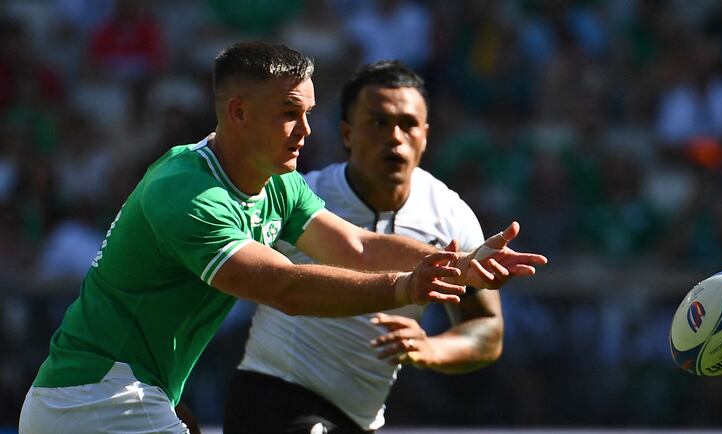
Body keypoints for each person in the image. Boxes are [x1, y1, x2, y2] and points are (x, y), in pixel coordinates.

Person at [18, 42, 546, 434]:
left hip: (120, 397)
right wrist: (406, 287)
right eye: (289, 114)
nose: (306, 130)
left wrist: (457, 263)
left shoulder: (277, 182)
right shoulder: (189, 194)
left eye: (308, 114)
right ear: (238, 113)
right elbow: (286, 288)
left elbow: (356, 247)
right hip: (95, 400)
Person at [223, 60, 515, 433]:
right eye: (378, 122)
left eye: (408, 124)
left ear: (425, 135)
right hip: (273, 394)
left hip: (360, 419)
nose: (394, 137)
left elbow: (487, 328)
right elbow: (217, 274)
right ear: (346, 133)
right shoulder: (301, 197)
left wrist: (432, 349)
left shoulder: (450, 217)